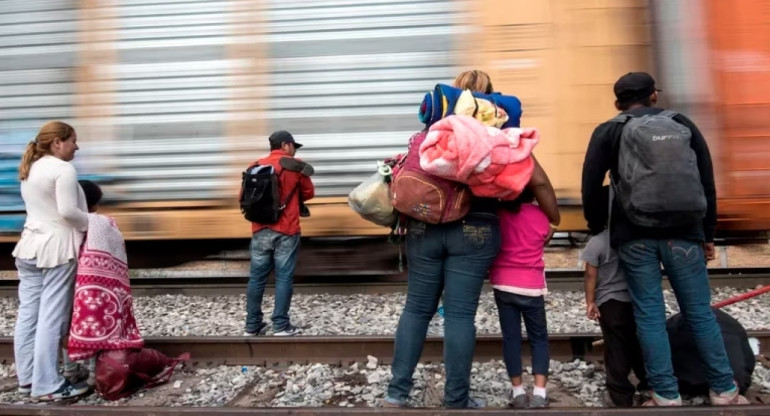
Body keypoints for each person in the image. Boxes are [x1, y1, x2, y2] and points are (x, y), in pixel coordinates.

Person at [384, 70, 561, 408]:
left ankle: (396, 393)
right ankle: (456, 399)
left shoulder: (434, 129)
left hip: (424, 228)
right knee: (460, 314)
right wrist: (553, 217)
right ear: (491, 99)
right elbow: (537, 181)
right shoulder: (498, 131)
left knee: (417, 310)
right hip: (474, 230)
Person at [581, 72, 748, 406]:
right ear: (654, 96)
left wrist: (600, 226)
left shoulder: (609, 130)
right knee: (700, 312)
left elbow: (589, 185)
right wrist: (707, 233)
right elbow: (706, 181)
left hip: (634, 237)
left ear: (618, 103)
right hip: (685, 234)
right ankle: (724, 390)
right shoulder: (681, 123)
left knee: (649, 315)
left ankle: (665, 394)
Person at [12, 121, 90, 401]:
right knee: (51, 318)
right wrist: (95, 222)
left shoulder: (31, 167)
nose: (76, 147)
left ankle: (27, 379)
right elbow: (69, 212)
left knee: (29, 316)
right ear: (58, 142)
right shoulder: (62, 168)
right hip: (56, 249)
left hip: (29, 247)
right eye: (73, 141)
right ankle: (47, 385)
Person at [65, 180, 144, 384]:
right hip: (99, 287)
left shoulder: (65, 223)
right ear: (95, 203)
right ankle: (93, 373)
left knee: (66, 323)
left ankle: (70, 370)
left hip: (68, 279)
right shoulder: (105, 223)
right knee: (97, 320)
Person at [242, 130, 314, 337]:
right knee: (283, 278)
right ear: (284, 145)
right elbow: (309, 193)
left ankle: (252, 325)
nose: (294, 150)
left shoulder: (254, 166)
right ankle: (280, 326)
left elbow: (243, 197)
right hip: (287, 229)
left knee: (256, 279)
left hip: (260, 229)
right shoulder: (295, 165)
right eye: (293, 146)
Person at [489, 189, 550, 408]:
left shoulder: (498, 215)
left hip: (503, 285)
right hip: (531, 287)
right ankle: (540, 393)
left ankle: (518, 392)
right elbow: (546, 236)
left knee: (511, 339)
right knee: (539, 338)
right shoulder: (539, 215)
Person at [582, 228, 648, 406]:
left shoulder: (598, 241)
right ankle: (649, 387)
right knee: (640, 344)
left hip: (610, 302)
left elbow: (590, 274)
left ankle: (620, 394)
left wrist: (590, 301)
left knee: (616, 347)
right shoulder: (637, 237)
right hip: (638, 299)